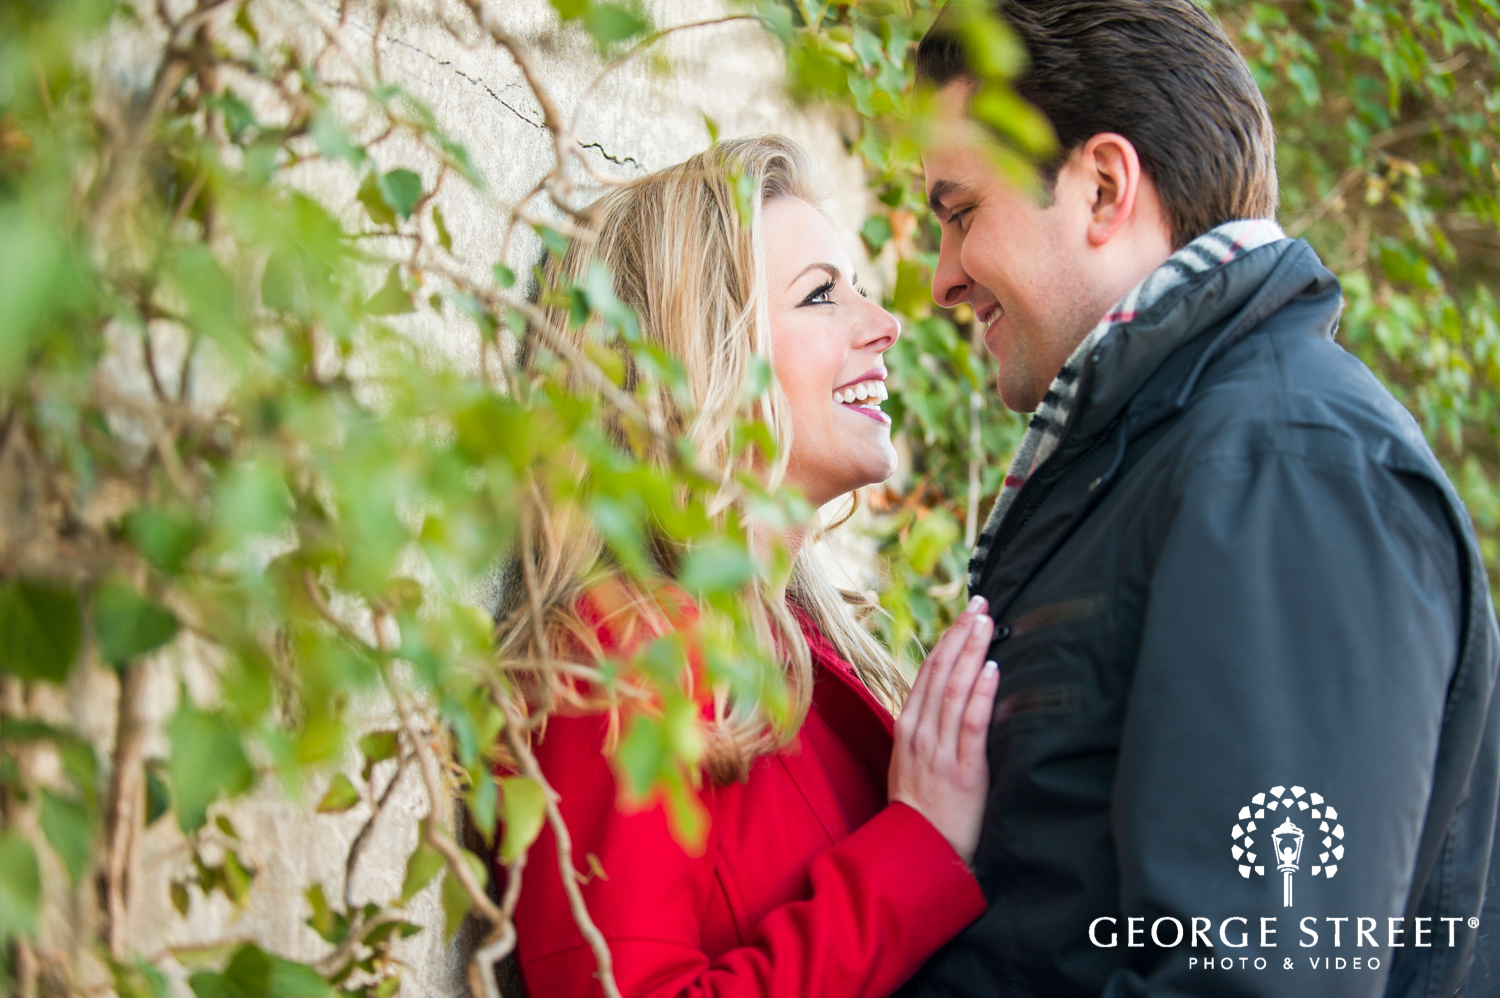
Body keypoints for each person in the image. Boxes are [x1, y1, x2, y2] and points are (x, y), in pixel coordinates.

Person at [900, 2, 1500, 997]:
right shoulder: (1152, 460)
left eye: (961, 213)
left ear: (1102, 187)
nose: (942, 278)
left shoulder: (1289, 468)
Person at [492, 135, 999, 998]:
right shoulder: (616, 664)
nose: (885, 324)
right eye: (821, 297)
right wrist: (918, 843)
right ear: (701, 361)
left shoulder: (796, 643)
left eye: (861, 291)